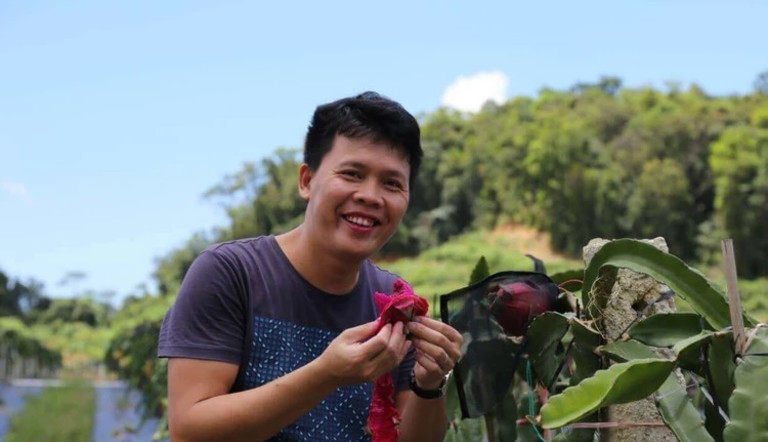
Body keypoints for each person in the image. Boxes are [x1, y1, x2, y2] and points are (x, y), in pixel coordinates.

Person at [158, 91, 463, 441]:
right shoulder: (230, 274)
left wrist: (429, 384)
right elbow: (189, 430)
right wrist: (325, 374)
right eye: (352, 174)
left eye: (392, 183)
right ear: (307, 181)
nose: (370, 195)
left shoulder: (395, 302)